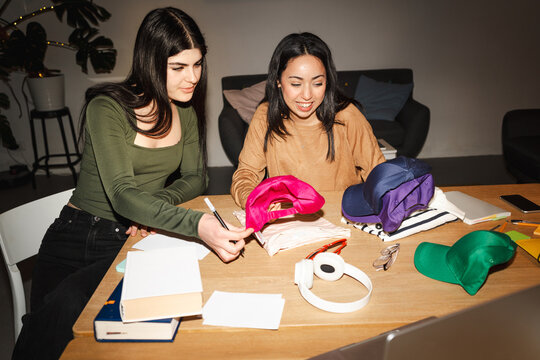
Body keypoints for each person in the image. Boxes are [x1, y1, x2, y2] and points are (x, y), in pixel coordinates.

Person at [13, 7, 252, 359]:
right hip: (74, 235)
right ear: (151, 61)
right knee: (53, 328)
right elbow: (123, 195)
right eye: (179, 67)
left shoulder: (184, 111)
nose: (193, 78)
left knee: (119, 328)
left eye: (197, 64)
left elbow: (195, 177)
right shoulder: (106, 107)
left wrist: (155, 206)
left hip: (127, 238)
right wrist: (196, 224)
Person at [230, 32, 385, 208]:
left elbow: (378, 174)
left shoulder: (347, 115)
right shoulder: (265, 116)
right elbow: (246, 175)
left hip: (342, 215)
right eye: (296, 84)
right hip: (289, 220)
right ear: (278, 81)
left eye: (317, 83)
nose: (307, 95)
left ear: (328, 81)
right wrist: (255, 200)